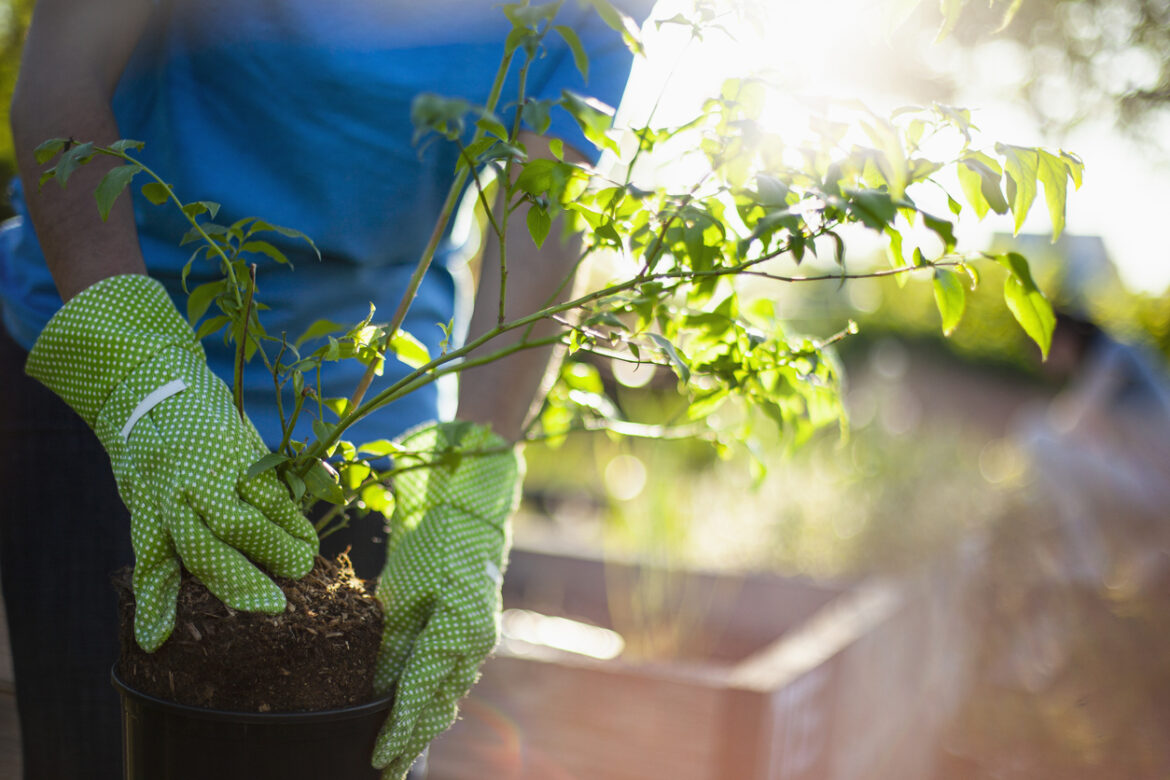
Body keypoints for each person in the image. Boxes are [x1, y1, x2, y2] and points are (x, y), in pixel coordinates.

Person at [0, 0, 651, 777]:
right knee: (100, 752)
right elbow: (59, 78)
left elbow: (542, 204)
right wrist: (143, 383)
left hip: (368, 415)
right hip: (104, 351)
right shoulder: (124, 369)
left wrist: (470, 477)